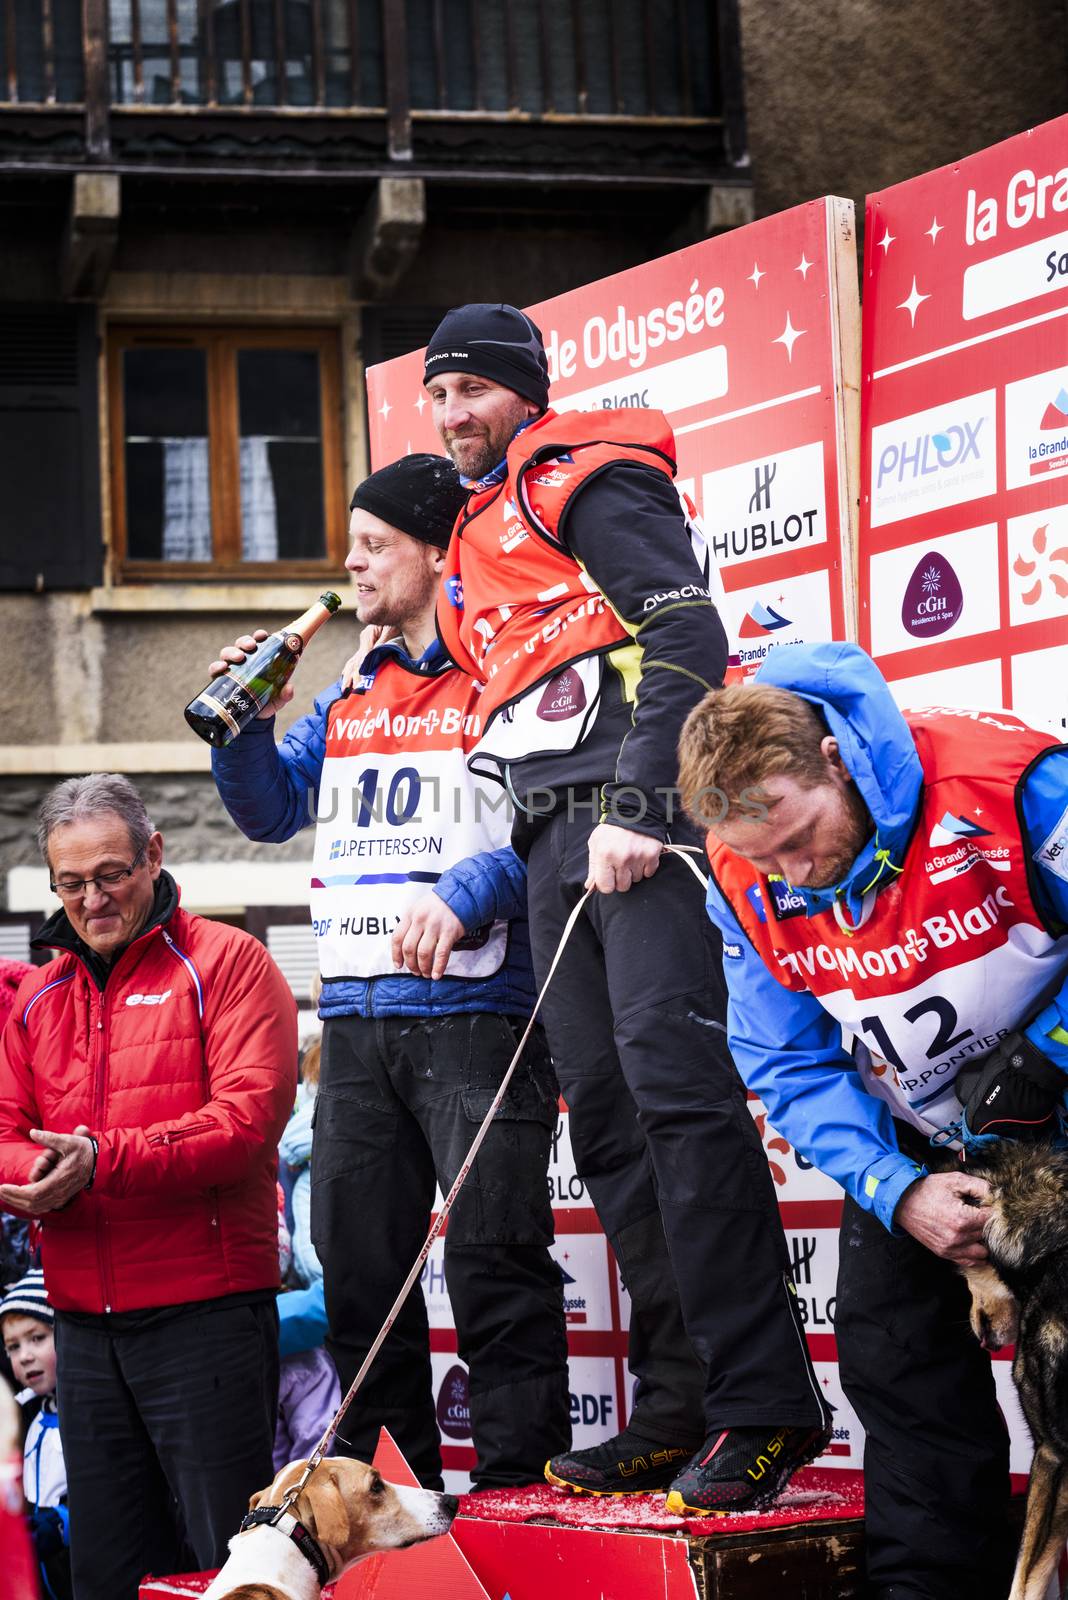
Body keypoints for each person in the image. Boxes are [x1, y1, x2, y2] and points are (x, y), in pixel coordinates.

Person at [418, 303, 829, 1513]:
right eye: (439, 396)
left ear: (522, 392)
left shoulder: (575, 476)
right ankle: (683, 1401)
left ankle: (765, 1405)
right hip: (552, 839)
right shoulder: (475, 528)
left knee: (680, 1104)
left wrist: (647, 804)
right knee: (603, 1121)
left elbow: (686, 622)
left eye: (474, 392)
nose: (454, 416)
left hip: (632, 819)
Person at [208, 452, 570, 1492]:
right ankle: (392, 1510)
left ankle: (518, 1499)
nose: (354, 567)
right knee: (364, 1283)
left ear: (434, 550)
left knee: (498, 1263)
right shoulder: (356, 681)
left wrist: (474, 888)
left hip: (475, 1012)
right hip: (358, 1024)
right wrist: (246, 726)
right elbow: (274, 807)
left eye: (374, 546)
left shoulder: (501, 665)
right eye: (352, 547)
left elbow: (553, 816)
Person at [676, 639, 1068, 1598]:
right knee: (896, 1373)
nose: (795, 877)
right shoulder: (747, 874)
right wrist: (899, 1192)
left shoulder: (1010, 780)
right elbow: (784, 1060)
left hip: (1055, 1123)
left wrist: (1049, 1054)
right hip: (917, 1135)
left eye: (801, 840)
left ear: (837, 761)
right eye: (765, 860)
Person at [0, 773, 297, 1600]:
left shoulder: (230, 961)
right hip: (83, 1333)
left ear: (154, 854)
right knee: (109, 1574)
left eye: (110, 875)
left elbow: (246, 1122)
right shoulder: (40, 995)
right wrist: (38, 1174)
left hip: (206, 1315)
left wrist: (102, 1159)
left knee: (231, 1567)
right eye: (70, 883)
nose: (91, 900)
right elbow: (4, 1133)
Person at [1, 1269, 70, 1600]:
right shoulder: (23, 1416)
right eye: (13, 1346)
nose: (24, 1355)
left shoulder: (84, 1417)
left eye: (37, 1338)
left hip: (74, 1567)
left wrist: (62, 1522)